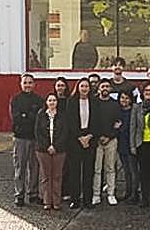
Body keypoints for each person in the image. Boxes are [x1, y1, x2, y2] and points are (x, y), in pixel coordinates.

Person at [9, 73, 43, 207]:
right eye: (25, 83)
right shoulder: (15, 100)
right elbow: (16, 118)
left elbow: (39, 119)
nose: (28, 85)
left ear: (34, 84)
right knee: (20, 167)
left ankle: (33, 194)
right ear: (21, 84)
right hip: (20, 138)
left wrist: (26, 115)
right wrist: (30, 116)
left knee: (34, 167)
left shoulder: (39, 100)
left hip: (35, 138)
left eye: (30, 82)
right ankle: (19, 195)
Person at [34, 92, 69, 211]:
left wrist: (55, 146)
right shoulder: (41, 115)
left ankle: (56, 202)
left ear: (57, 103)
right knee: (45, 176)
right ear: (46, 102)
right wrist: (47, 146)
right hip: (43, 150)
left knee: (57, 176)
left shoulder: (63, 116)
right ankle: (47, 201)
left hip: (59, 150)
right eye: (50, 100)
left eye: (54, 100)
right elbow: (38, 133)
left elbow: (65, 133)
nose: (52, 102)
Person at [90, 79, 123, 206]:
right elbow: (92, 122)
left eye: (107, 86)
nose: (105, 88)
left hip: (111, 140)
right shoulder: (94, 103)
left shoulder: (115, 104)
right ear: (99, 88)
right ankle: (96, 194)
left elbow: (118, 123)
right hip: (97, 141)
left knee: (110, 168)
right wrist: (98, 137)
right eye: (103, 86)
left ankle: (111, 193)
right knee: (97, 169)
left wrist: (109, 136)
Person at [65, 78, 96, 209]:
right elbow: (70, 121)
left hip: (90, 140)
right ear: (78, 87)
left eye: (86, 86)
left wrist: (88, 137)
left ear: (90, 88)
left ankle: (88, 200)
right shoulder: (71, 102)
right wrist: (80, 137)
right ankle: (75, 199)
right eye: (82, 86)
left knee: (89, 171)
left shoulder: (94, 102)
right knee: (74, 171)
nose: (84, 89)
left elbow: (97, 120)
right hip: (75, 140)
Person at [116, 92, 139, 203]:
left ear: (131, 100)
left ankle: (135, 194)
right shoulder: (118, 112)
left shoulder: (134, 111)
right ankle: (128, 192)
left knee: (133, 170)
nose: (124, 100)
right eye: (122, 98)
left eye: (126, 98)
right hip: (121, 144)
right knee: (126, 171)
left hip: (131, 144)